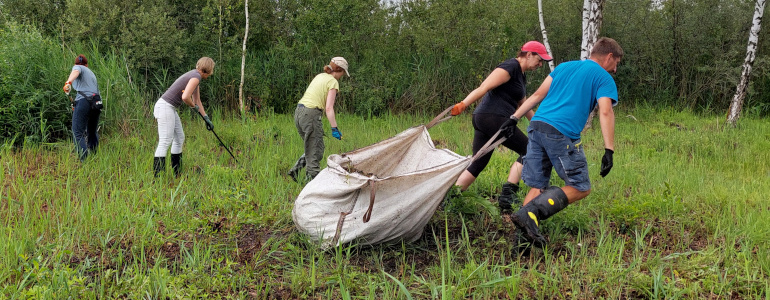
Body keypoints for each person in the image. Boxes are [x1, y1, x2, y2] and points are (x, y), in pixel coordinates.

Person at [500, 37, 623, 246]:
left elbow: (538, 94)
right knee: (580, 186)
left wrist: (514, 118)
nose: (615, 70)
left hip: (537, 126)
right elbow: (605, 110)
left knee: (538, 185)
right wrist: (609, 149)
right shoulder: (603, 78)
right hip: (560, 133)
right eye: (616, 64)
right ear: (609, 56)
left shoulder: (564, 67)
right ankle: (531, 213)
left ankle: (521, 243)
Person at [450, 41, 552, 211]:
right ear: (528, 54)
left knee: (477, 164)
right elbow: (484, 87)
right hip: (493, 119)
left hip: (488, 119)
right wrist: (463, 104)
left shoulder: (521, 75)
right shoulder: (510, 66)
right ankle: (507, 196)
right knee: (529, 150)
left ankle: (450, 200)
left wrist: (538, 123)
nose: (540, 64)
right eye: (539, 59)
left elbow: (523, 104)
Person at [288, 57, 350, 182]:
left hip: (299, 113)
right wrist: (334, 128)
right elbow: (329, 108)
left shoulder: (320, 76)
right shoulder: (333, 82)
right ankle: (311, 185)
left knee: (315, 148)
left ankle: (295, 171)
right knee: (315, 151)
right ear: (340, 70)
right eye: (343, 73)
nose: (342, 76)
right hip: (310, 114)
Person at [153, 57, 215, 177]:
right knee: (165, 141)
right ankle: (158, 177)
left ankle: (177, 173)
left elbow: (197, 101)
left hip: (169, 107)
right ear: (207, 70)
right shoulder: (196, 77)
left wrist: (206, 118)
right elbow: (186, 97)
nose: (210, 75)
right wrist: (193, 107)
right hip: (165, 106)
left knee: (179, 138)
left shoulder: (195, 76)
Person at [63, 54, 102, 162]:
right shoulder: (91, 73)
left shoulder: (78, 67)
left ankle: (84, 160)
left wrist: (68, 83)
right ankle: (94, 157)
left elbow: (76, 72)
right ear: (87, 64)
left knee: (78, 132)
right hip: (97, 103)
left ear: (76, 63)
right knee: (92, 131)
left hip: (84, 101)